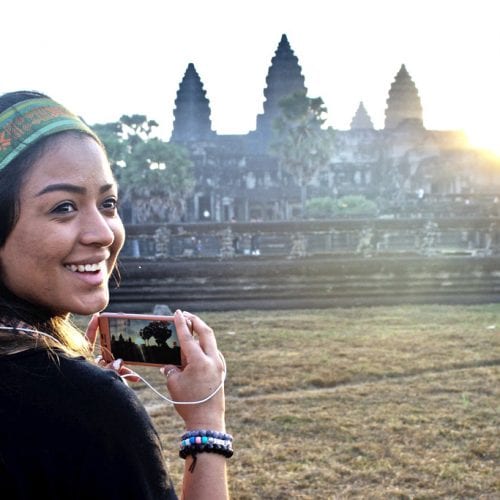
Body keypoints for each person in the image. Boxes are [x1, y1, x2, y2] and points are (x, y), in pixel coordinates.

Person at [0, 91, 230, 499]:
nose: (104, 233)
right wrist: (205, 425)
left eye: (107, 203)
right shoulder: (85, 407)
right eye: (63, 207)